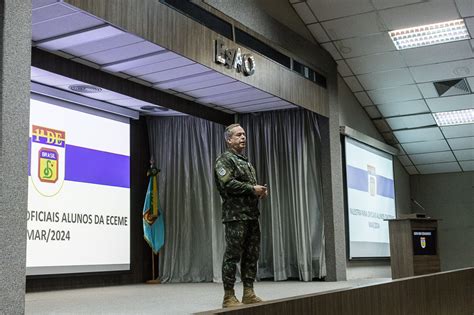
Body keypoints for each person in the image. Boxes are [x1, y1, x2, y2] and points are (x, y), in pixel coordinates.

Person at [214, 123, 268, 308]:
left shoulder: (245, 161)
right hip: (235, 216)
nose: (243, 137)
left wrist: (259, 192)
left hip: (252, 215)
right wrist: (252, 189)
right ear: (229, 140)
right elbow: (228, 183)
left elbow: (247, 187)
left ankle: (248, 292)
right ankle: (228, 296)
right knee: (232, 255)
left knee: (251, 254)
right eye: (238, 135)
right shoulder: (224, 160)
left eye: (244, 134)